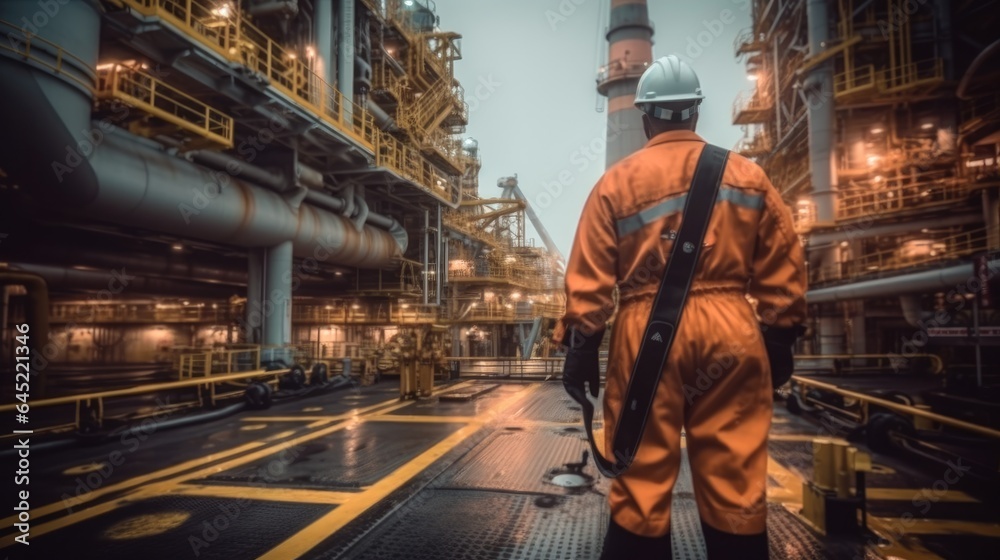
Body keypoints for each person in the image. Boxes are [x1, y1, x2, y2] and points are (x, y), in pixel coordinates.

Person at [553, 54, 807, 559]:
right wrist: (779, 336)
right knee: (736, 481)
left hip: (648, 336)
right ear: (695, 111)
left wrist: (581, 347)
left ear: (645, 116)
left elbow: (589, 280)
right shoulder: (747, 176)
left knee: (640, 479)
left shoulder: (617, 183)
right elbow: (785, 266)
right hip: (733, 331)